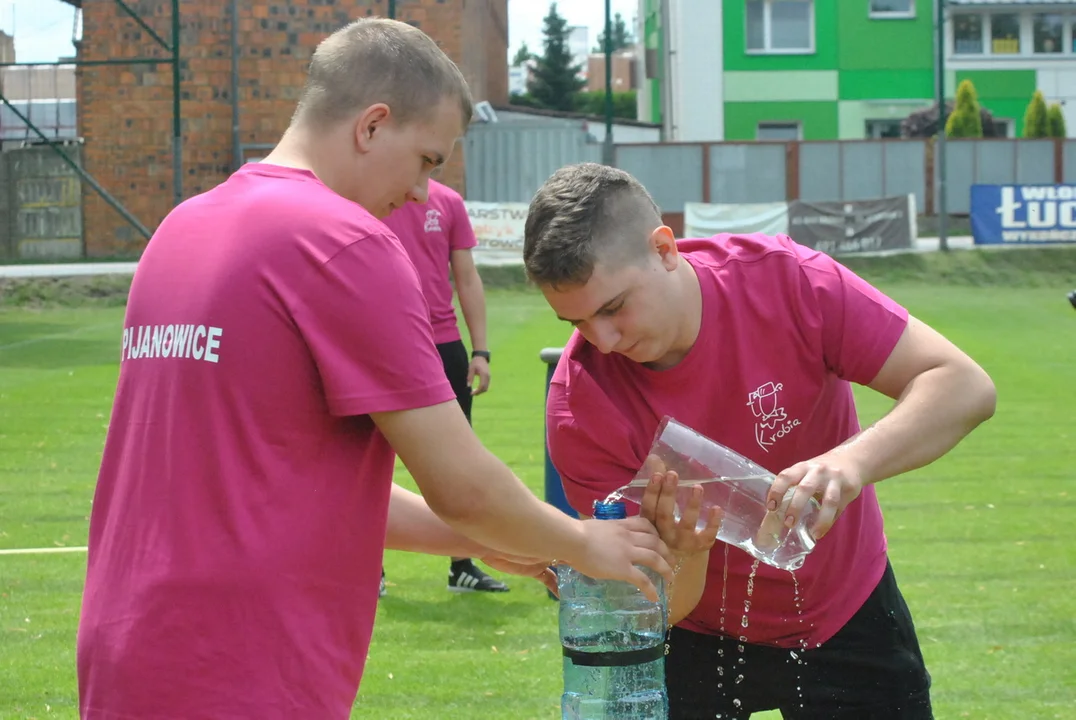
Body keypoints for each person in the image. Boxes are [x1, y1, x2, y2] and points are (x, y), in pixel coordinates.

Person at [76, 24, 676, 720]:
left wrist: (506, 542)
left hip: (132, 647)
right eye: (425, 160)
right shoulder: (345, 241)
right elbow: (461, 484)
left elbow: (286, 483)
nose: (424, 194)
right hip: (245, 664)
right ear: (372, 125)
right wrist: (579, 541)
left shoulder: (181, 230)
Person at [523, 162, 997, 720]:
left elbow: (964, 385)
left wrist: (850, 463)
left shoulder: (785, 280)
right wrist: (685, 553)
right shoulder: (580, 405)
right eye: (575, 323)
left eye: (612, 308)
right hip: (697, 636)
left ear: (664, 249)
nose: (602, 341)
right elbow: (652, 608)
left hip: (846, 606)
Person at [381, 178, 508, 593]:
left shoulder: (448, 201)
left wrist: (481, 350)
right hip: (383, 338)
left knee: (454, 461)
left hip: (443, 342)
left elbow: (466, 277)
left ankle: (462, 566)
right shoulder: (371, 192)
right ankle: (368, 566)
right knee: (368, 456)